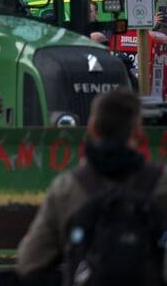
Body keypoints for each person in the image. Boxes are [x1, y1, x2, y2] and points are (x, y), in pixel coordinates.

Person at [16, 90, 167, 284]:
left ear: (92, 129)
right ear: (138, 131)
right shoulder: (161, 184)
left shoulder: (67, 188)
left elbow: (29, 262)